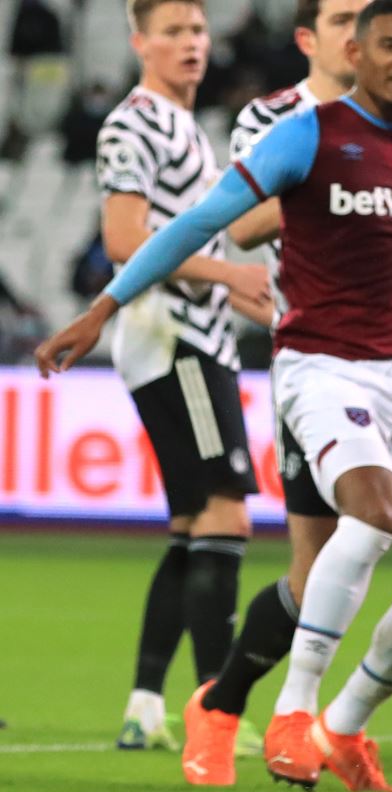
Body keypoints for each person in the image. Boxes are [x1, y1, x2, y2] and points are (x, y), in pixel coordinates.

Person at [38, 0, 392, 792]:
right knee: (354, 524)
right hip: (322, 364)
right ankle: (270, 708)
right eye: (389, 41)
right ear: (345, 43)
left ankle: (334, 724)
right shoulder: (293, 128)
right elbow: (206, 227)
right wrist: (100, 309)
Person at [94, 0, 273, 753]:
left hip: (189, 336)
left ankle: (145, 702)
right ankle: (217, 710)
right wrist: (226, 273)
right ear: (139, 41)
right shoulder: (133, 124)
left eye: (198, 31)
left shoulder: (185, 128)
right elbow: (123, 239)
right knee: (227, 516)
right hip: (175, 338)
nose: (190, 44)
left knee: (192, 522)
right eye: (172, 32)